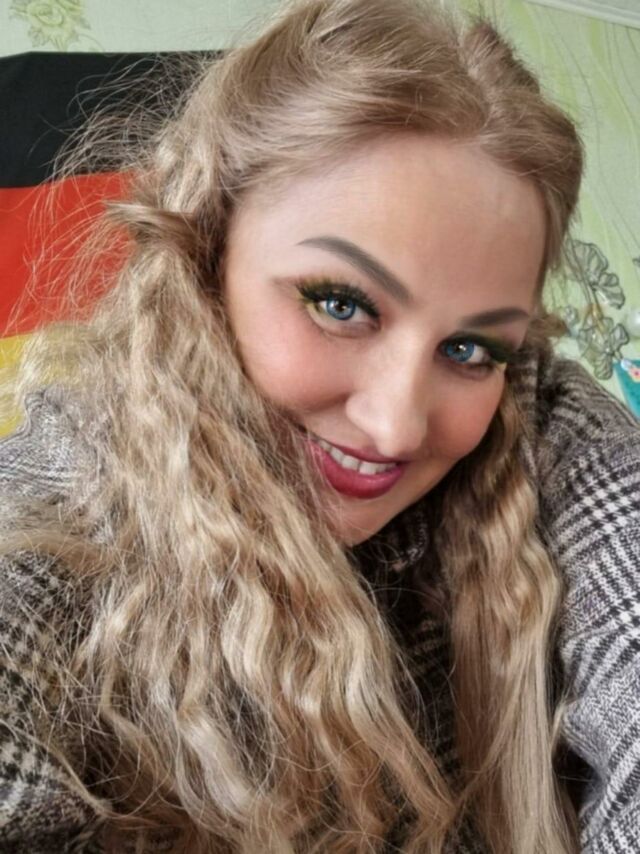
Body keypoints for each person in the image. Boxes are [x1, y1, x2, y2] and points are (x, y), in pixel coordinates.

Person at [0, 0, 638, 851]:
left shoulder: (532, 420)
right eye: (341, 305)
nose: (395, 426)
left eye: (469, 348)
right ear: (203, 261)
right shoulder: (56, 503)